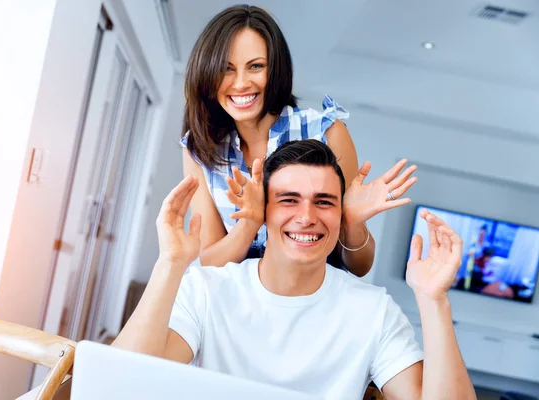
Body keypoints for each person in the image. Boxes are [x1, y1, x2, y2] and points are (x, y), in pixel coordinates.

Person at [114, 140, 476, 399]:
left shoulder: (373, 311)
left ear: (340, 216)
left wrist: (434, 301)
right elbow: (120, 385)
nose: (307, 217)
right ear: (264, 212)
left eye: (324, 202)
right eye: (289, 200)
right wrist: (170, 264)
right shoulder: (207, 289)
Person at [181, 4, 417, 274]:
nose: (241, 83)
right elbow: (209, 261)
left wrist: (352, 222)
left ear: (276, 70)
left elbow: (359, 266)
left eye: (255, 66)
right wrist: (250, 222)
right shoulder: (199, 148)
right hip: (235, 307)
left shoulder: (326, 131)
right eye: (227, 69)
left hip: (311, 304)